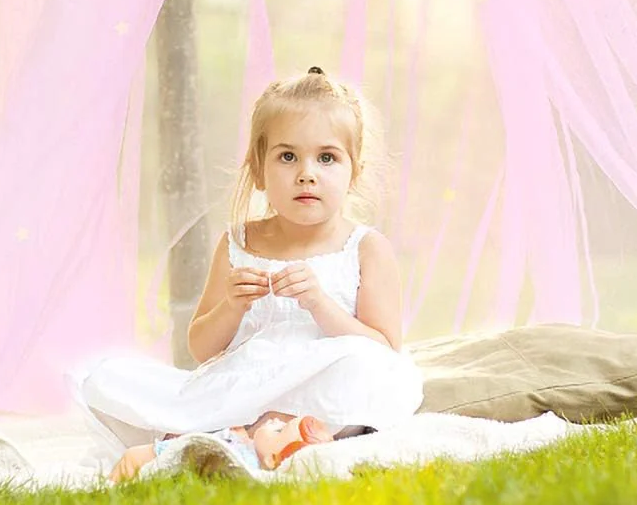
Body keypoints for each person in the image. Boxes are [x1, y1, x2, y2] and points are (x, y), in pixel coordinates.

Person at [74, 65, 424, 459]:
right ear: (259, 171)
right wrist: (232, 306)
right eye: (288, 156)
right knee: (106, 377)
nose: (307, 174)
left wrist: (320, 305)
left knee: (365, 369)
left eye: (327, 158)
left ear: (353, 172)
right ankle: (246, 437)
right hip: (247, 384)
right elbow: (203, 348)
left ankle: (233, 440)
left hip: (321, 389)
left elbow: (383, 348)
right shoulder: (239, 242)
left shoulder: (365, 248)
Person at [108, 414, 335, 482]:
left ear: (272, 460)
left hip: (165, 455)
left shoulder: (244, 462)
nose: (275, 422)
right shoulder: (251, 448)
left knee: (131, 457)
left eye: (279, 431)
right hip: (171, 446)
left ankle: (111, 487)